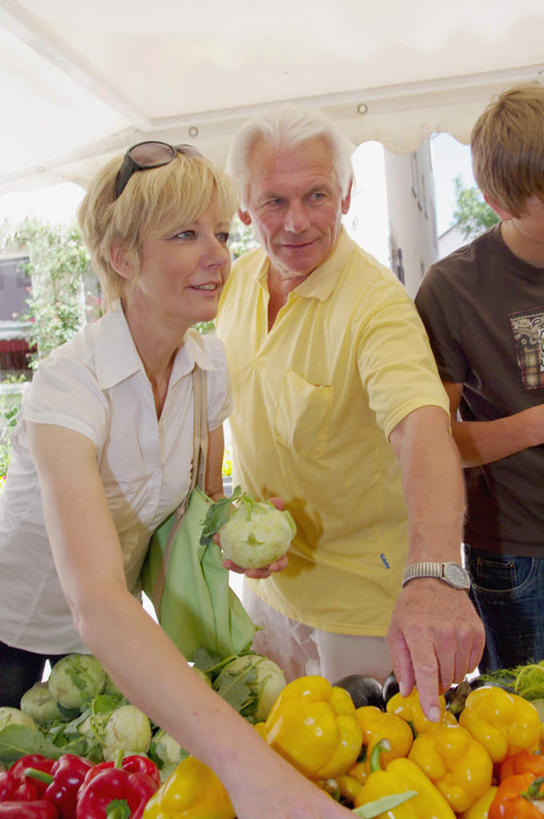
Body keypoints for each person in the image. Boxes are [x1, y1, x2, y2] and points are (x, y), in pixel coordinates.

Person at [0, 141, 352, 818]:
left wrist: (235, 534)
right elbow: (97, 599)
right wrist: (250, 769)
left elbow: (200, 507)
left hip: (107, 643)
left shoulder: (207, 366)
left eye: (220, 232)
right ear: (124, 258)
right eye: (187, 234)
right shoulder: (68, 388)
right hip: (16, 629)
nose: (220, 255)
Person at [216, 105, 484, 720]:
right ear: (243, 207)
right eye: (274, 202)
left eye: (316, 195)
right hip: (266, 595)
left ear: (346, 194)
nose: (297, 222)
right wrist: (222, 518)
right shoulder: (235, 283)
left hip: (370, 612)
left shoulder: (376, 307)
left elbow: (422, 430)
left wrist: (437, 573)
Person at [415, 82, 544, 673]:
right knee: (524, 734)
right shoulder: (452, 288)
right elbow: (435, 445)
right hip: (516, 554)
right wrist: (533, 425)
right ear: (499, 201)